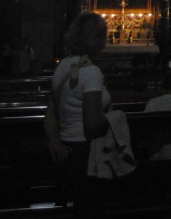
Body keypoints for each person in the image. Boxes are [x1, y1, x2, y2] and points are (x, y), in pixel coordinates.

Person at [47, 12, 112, 216]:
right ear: (96, 38)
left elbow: (50, 112)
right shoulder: (91, 72)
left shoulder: (63, 66)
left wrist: (55, 142)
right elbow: (92, 122)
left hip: (67, 149)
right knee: (92, 208)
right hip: (88, 151)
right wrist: (113, 120)